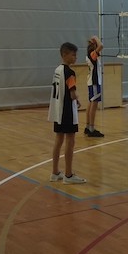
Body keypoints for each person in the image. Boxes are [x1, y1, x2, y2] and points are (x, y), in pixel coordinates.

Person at [48, 42, 87, 184]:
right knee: (70, 141)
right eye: (73, 55)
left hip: (58, 110)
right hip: (67, 111)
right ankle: (69, 175)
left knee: (58, 140)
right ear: (64, 54)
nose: (75, 57)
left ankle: (55, 173)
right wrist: (77, 99)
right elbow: (72, 94)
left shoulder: (57, 70)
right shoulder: (70, 73)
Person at [84, 35, 105, 137]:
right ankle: (91, 129)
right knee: (94, 104)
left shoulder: (89, 54)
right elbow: (101, 45)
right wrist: (96, 38)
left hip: (91, 82)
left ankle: (88, 127)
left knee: (90, 103)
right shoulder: (92, 54)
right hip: (95, 82)